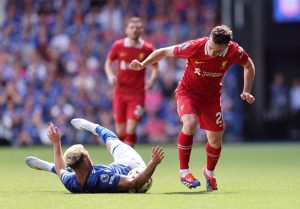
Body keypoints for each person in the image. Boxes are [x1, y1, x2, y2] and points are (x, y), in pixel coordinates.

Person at [130, 25, 255, 191]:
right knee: (190, 123)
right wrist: (143, 64)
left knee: (216, 140)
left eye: (217, 52)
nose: (212, 53)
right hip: (187, 93)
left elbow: (249, 66)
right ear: (209, 39)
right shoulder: (195, 46)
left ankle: (209, 173)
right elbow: (163, 51)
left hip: (211, 99)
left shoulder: (234, 51)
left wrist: (246, 90)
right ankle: (184, 172)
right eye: (211, 48)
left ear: (226, 47)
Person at [25, 118, 164, 193]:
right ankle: (92, 126)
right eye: (87, 154)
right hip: (130, 165)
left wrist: (56, 143)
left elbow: (61, 169)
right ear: (85, 160)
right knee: (112, 141)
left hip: (104, 169)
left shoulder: (71, 183)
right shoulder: (101, 177)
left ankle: (47, 166)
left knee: (59, 170)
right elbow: (134, 183)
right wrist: (153, 163)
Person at [105, 17, 159, 147]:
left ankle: (127, 162)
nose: (135, 30)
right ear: (126, 30)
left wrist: (151, 80)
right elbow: (108, 63)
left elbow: (156, 68)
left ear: (142, 30)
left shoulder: (147, 48)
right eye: (132, 27)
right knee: (120, 131)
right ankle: (124, 157)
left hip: (137, 94)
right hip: (120, 93)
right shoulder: (118, 45)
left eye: (138, 27)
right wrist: (110, 75)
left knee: (131, 129)